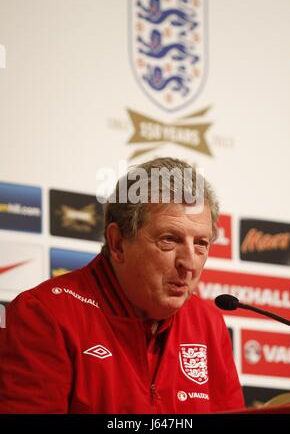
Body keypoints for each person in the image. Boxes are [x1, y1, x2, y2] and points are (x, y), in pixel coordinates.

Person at [0, 157, 244, 413]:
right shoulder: (44, 316)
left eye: (201, 244)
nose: (189, 263)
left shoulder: (208, 325)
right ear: (117, 243)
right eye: (169, 239)